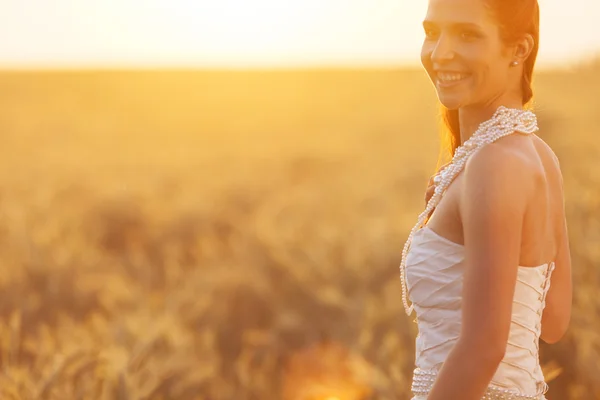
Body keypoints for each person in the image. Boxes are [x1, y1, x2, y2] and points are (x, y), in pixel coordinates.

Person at [398, 0, 573, 399]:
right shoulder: (538, 157)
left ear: (518, 49)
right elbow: (553, 320)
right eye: (431, 33)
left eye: (468, 34)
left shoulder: (494, 165)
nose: (440, 52)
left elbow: (483, 349)